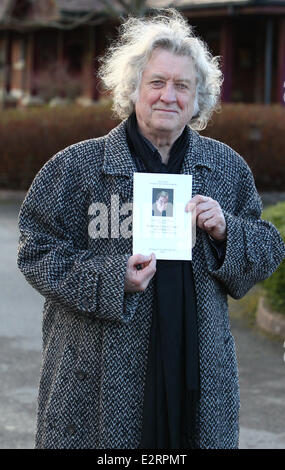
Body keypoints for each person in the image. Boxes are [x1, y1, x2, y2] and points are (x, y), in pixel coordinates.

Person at [17, 9, 285, 450]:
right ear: (133, 89)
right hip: (96, 378)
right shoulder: (75, 167)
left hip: (194, 372)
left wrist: (227, 233)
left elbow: (267, 247)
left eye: (182, 86)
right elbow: (35, 251)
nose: (168, 96)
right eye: (157, 82)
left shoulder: (225, 168)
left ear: (198, 98)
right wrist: (110, 277)